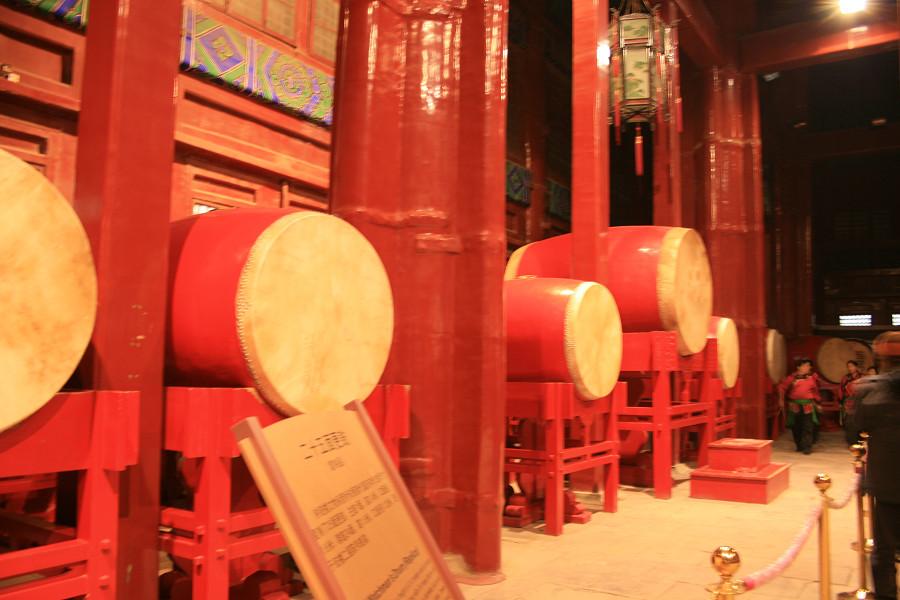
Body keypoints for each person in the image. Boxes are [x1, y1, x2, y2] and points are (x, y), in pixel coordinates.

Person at [847, 332, 900, 600]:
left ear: (882, 359)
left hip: (889, 485)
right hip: (888, 483)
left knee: (884, 552)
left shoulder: (870, 390)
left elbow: (854, 430)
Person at [778, 358, 821, 454]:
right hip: (795, 405)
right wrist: (780, 400)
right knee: (796, 426)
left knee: (808, 426)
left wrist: (818, 403)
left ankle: (807, 447)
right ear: (799, 367)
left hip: (808, 405)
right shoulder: (792, 378)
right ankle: (799, 445)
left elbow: (815, 391)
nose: (808, 367)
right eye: (805, 365)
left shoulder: (812, 378)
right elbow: (782, 387)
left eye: (809, 366)